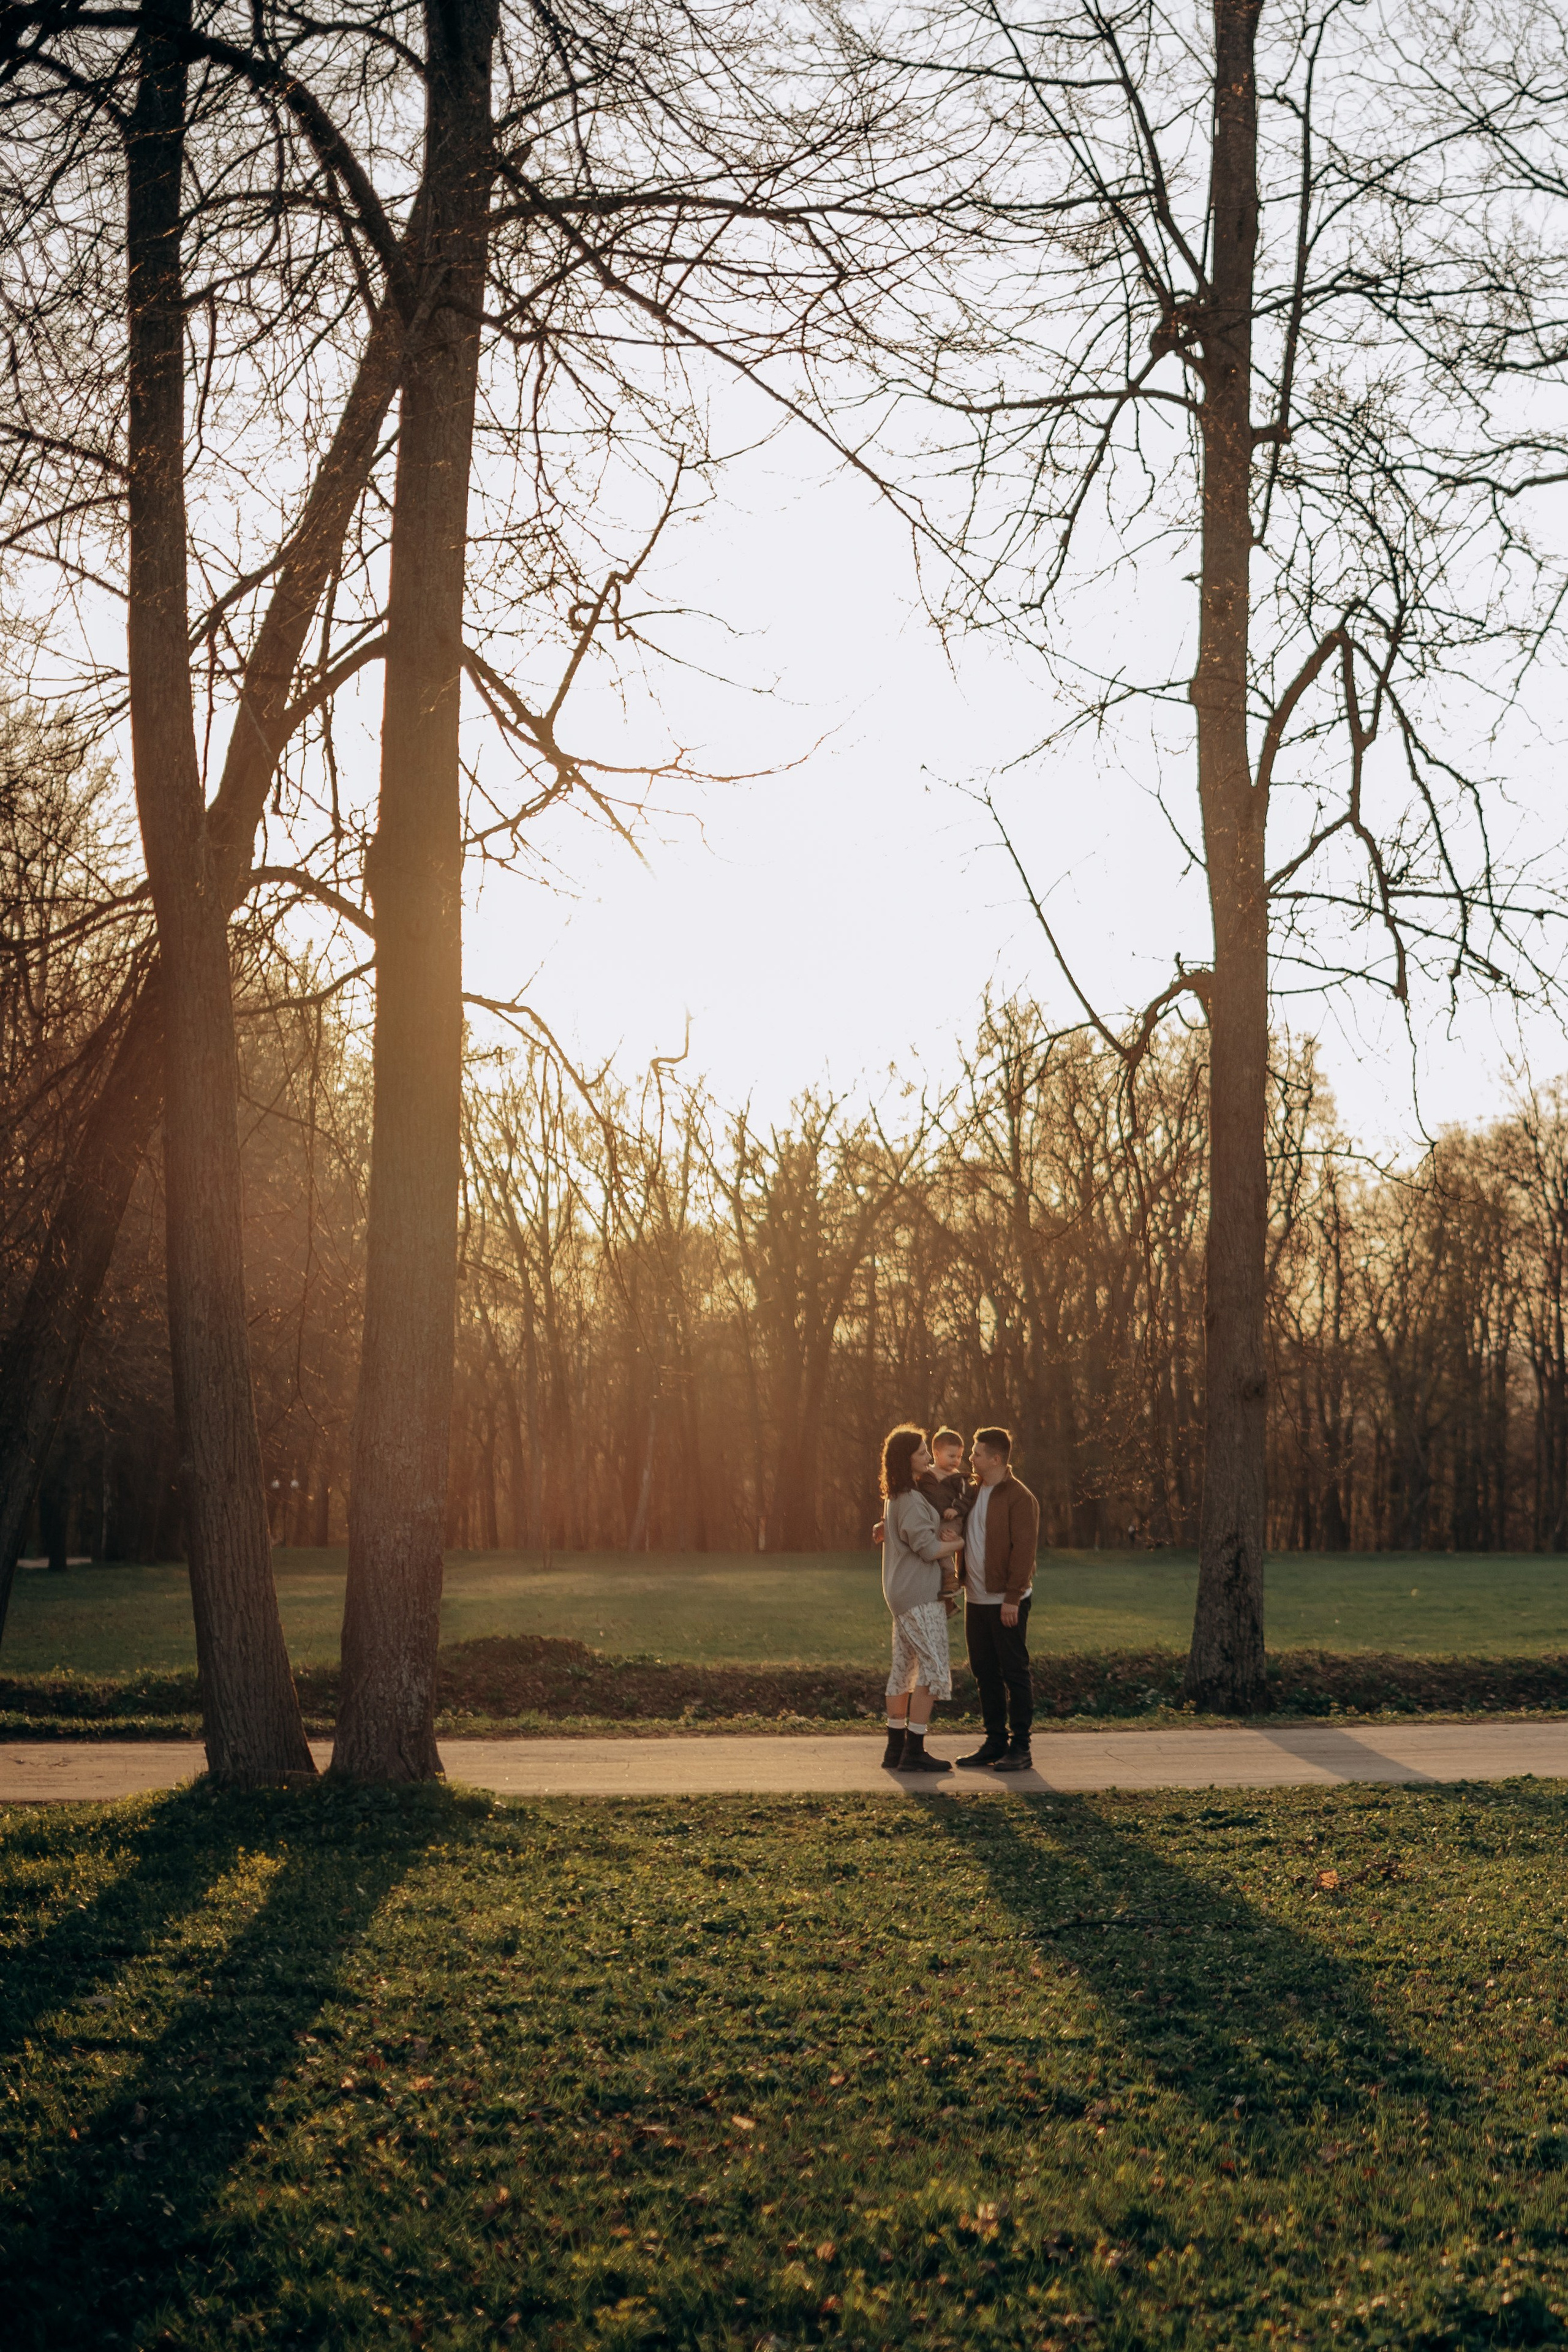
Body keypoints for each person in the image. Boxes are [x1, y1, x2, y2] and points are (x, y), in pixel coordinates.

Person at [878, 1423, 965, 1774]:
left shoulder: (898, 1496)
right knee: (935, 1669)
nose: (929, 1456)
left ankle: (895, 1749)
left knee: (904, 1668)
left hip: (902, 1594)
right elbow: (928, 1549)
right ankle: (914, 1749)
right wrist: (962, 1543)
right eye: (921, 1452)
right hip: (918, 1596)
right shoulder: (911, 1500)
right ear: (906, 1459)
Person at [956, 1425, 1041, 1773]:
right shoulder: (971, 1491)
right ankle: (994, 1742)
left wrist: (1012, 1598)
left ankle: (1021, 1747)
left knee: (1014, 1672)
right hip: (976, 1599)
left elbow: (1025, 1550)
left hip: (1006, 1601)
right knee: (984, 1672)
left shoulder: (1020, 1497)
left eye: (976, 1453)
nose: (970, 1458)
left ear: (995, 1459)